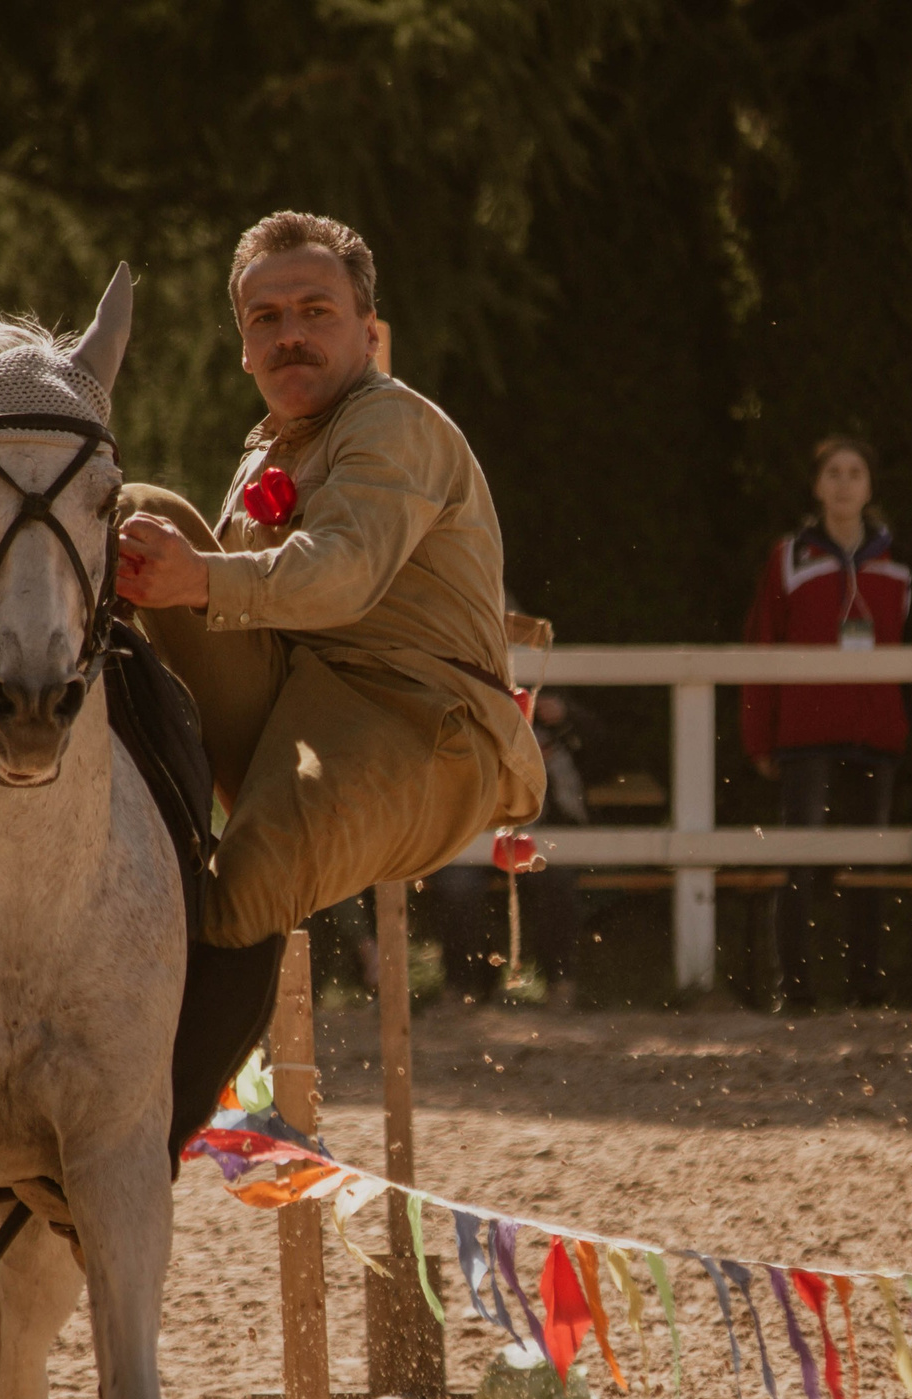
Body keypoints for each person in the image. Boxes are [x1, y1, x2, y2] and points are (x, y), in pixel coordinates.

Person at [104, 211, 545, 1152]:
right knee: (133, 515)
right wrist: (172, 573)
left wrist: (200, 579)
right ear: (243, 346)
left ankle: (141, 1134)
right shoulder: (269, 447)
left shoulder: (393, 422)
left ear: (367, 327)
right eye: (265, 317)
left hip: (421, 721)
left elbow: (341, 573)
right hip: (299, 695)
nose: (289, 332)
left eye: (316, 309)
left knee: (249, 882)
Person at [739, 435, 912, 1010]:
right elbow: (762, 642)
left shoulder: (897, 560)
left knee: (868, 867)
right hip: (804, 732)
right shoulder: (788, 557)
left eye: (855, 473)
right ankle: (795, 990)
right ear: (817, 486)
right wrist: (758, 736)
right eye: (833, 473)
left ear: (870, 486)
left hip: (875, 733)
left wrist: (904, 726)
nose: (843, 483)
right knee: (801, 863)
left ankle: (866, 987)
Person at [431, 686, 594, 1006]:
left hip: (540, 832)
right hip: (470, 833)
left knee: (554, 880)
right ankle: (462, 987)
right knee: (456, 888)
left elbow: (605, 751)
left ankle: (561, 984)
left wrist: (567, 716)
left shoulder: (547, 697)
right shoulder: (455, 699)